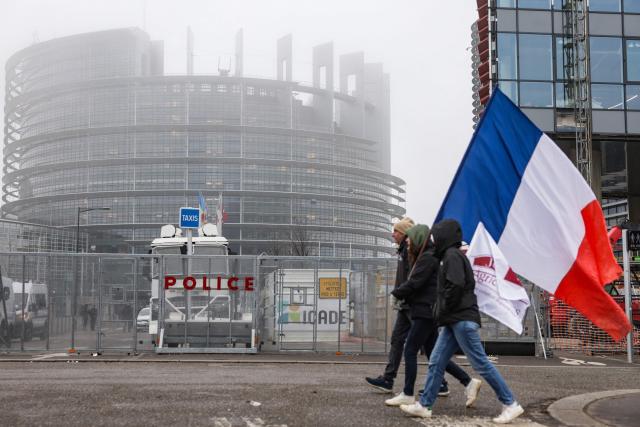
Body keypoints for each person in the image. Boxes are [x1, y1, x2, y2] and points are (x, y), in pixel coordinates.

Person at [400, 219, 524, 424]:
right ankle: (424, 405)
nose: (434, 239)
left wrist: (440, 309)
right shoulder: (450, 256)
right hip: (453, 320)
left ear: (444, 236)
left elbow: (455, 286)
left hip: (461, 320)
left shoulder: (452, 256)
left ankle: (510, 404)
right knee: (436, 362)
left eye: (436, 235)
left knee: (481, 364)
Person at [385, 224, 480, 407]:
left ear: (419, 238)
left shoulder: (427, 258)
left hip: (424, 311)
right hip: (426, 310)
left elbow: (415, 283)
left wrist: (396, 293)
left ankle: (407, 393)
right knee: (435, 354)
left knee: (410, 349)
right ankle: (467, 381)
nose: (408, 241)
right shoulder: (426, 256)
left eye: (410, 238)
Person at [365, 217, 414, 393]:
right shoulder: (402, 251)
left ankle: (445, 382)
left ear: (405, 233)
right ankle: (388, 379)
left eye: (396, 231)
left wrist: (401, 293)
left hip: (413, 305)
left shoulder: (411, 251)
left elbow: (414, 278)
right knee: (397, 340)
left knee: (430, 345)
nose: (392, 234)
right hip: (405, 305)